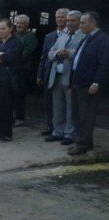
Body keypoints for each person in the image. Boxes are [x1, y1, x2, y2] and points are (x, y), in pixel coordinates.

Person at [68, 12, 108, 156]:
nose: (80, 26)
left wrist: (97, 82)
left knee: (86, 116)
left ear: (93, 23)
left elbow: (104, 64)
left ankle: (82, 144)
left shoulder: (102, 40)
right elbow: (77, 62)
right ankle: (86, 142)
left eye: (83, 23)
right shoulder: (86, 39)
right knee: (78, 115)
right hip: (78, 83)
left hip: (89, 85)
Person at [45, 10, 83, 145]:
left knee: (70, 106)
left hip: (71, 77)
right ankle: (57, 131)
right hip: (56, 75)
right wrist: (57, 54)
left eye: (73, 21)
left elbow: (84, 54)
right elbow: (50, 52)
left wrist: (70, 54)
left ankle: (69, 133)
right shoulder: (62, 36)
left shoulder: (83, 36)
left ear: (79, 22)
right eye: (68, 21)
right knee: (57, 106)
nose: (69, 23)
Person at [37, 8, 69, 136]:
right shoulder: (49, 36)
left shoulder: (72, 36)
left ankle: (65, 129)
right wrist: (40, 74)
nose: (60, 19)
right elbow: (44, 56)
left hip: (64, 73)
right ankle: (51, 126)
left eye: (62, 17)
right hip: (49, 73)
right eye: (58, 17)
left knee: (64, 103)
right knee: (49, 102)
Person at [13, 14, 38, 127]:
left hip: (22, 70)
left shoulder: (30, 37)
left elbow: (25, 53)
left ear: (27, 24)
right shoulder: (13, 35)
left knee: (19, 94)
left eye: (21, 23)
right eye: (17, 22)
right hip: (11, 69)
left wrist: (9, 57)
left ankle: (19, 117)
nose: (18, 25)